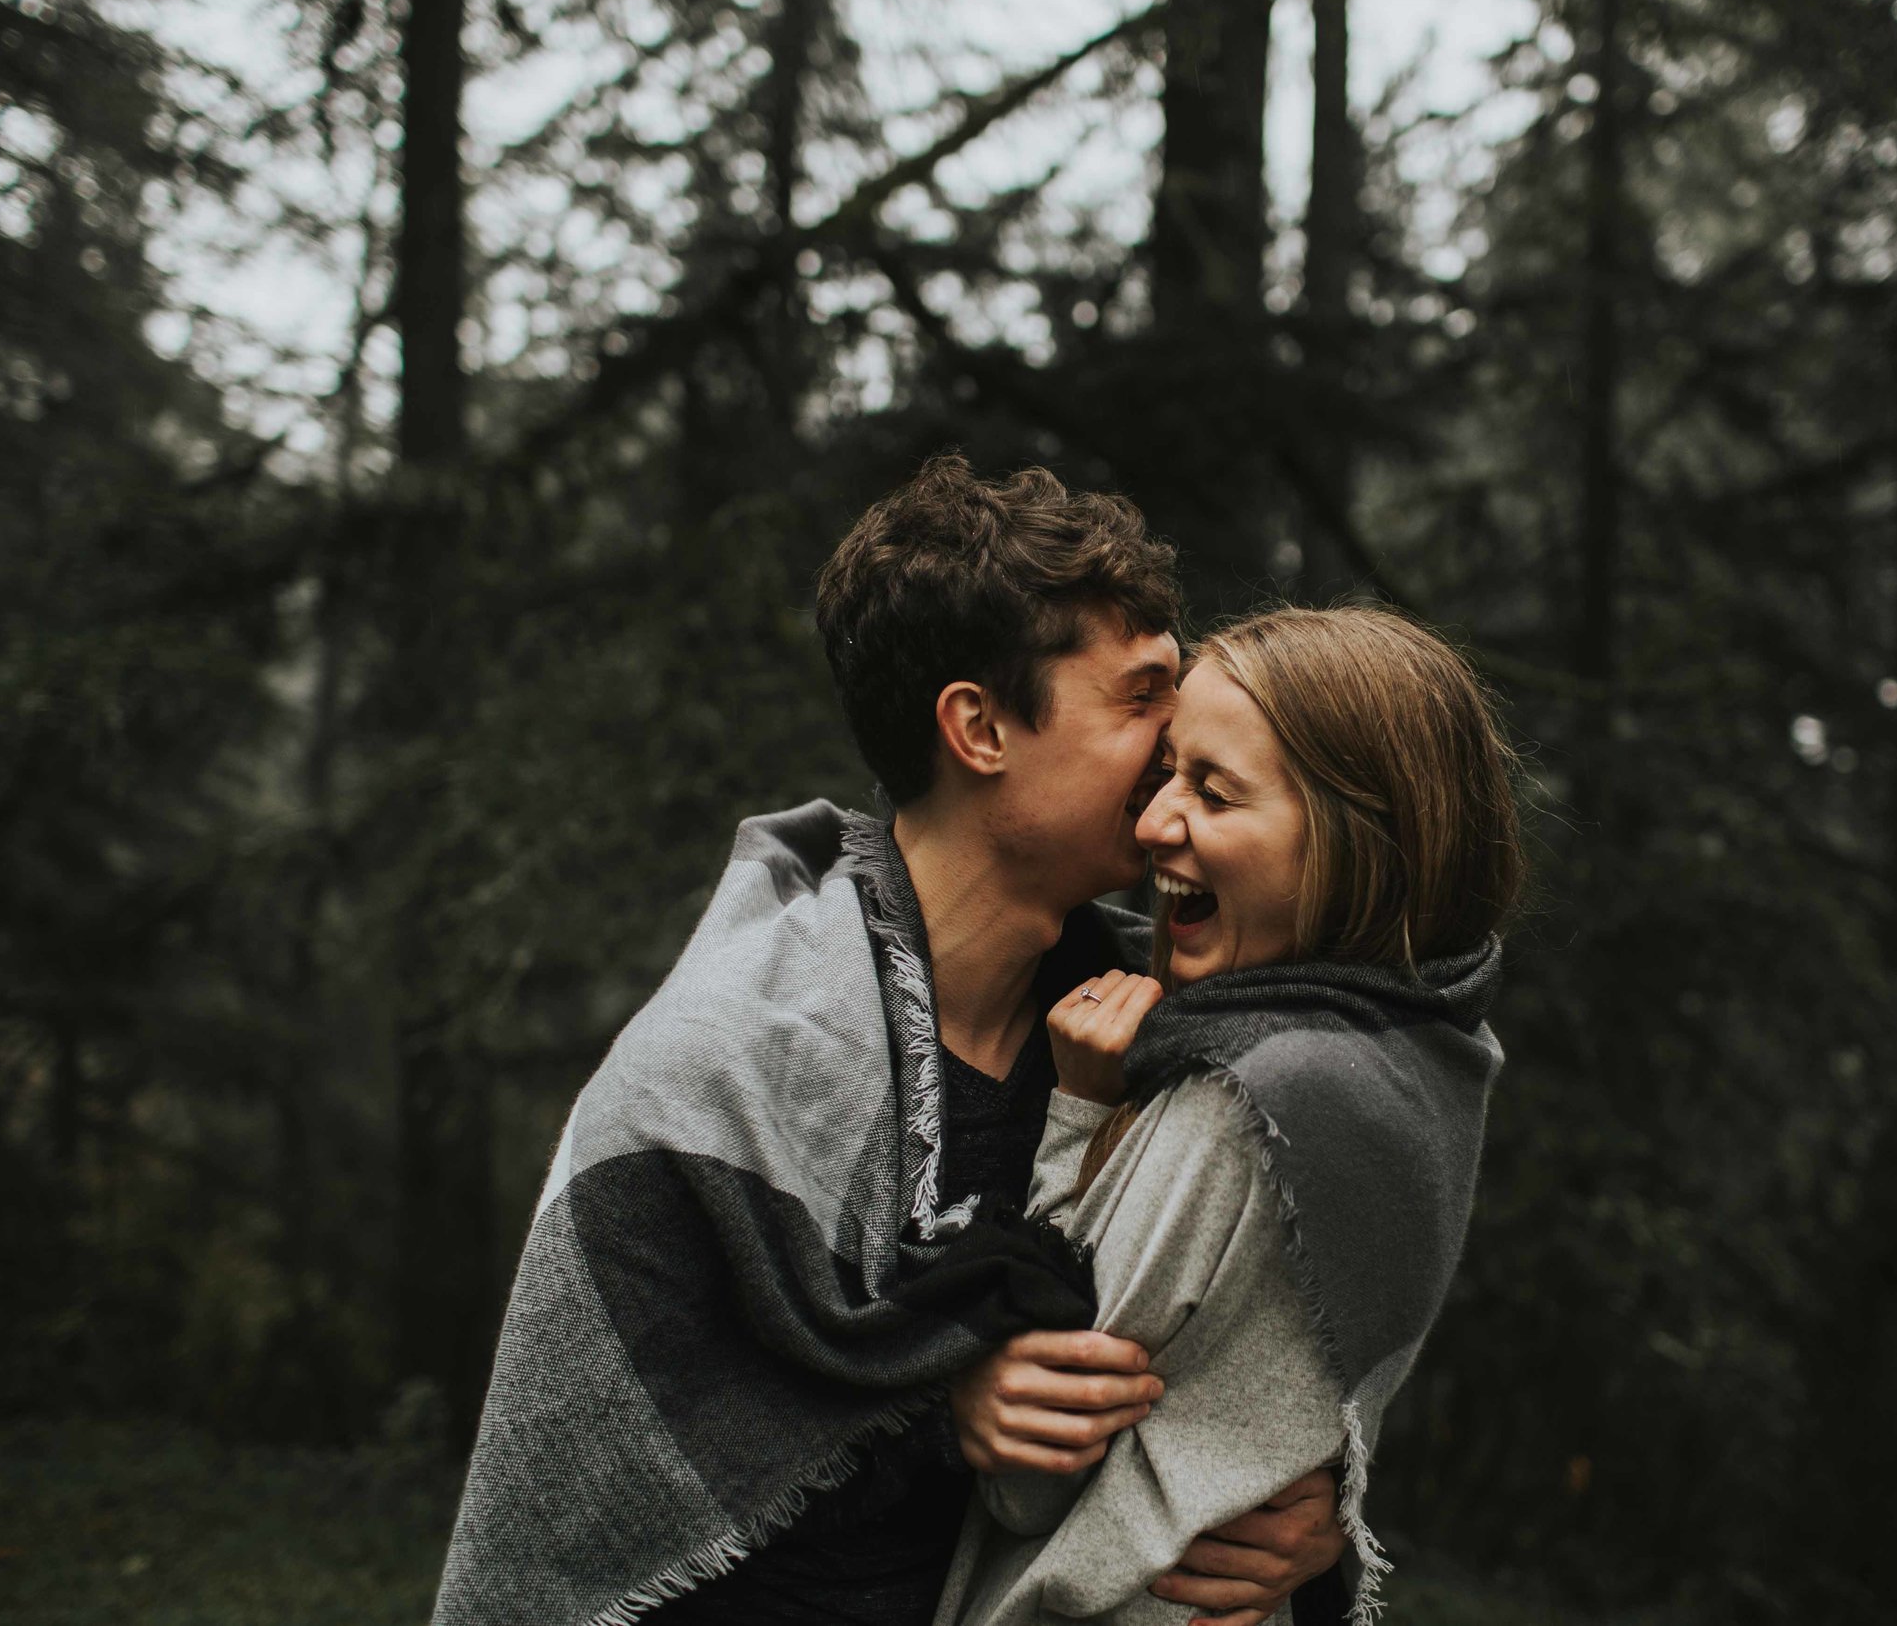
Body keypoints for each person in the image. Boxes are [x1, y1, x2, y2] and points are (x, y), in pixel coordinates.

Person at [430, 458, 1343, 1626]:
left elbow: (1262, 1336)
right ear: (976, 727)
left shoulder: (1170, 1018)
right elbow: (613, 1499)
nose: (1181, 736)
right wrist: (936, 1417)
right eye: (1139, 694)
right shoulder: (720, 1065)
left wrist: (1302, 1503)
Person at [933, 604, 1525, 1626]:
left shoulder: (1242, 1105)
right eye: (1167, 771)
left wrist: (1076, 1111)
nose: (1156, 820)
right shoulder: (1430, 1053)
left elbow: (1027, 1479)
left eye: (1211, 790)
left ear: (1354, 836)